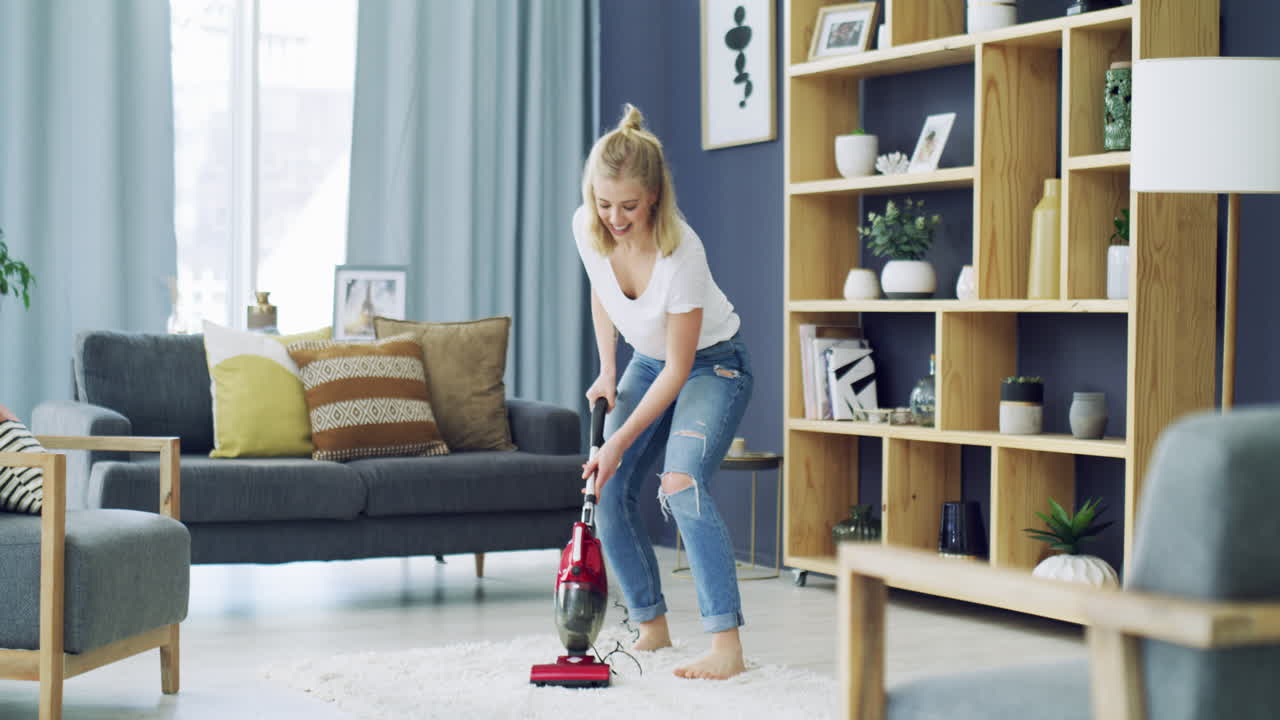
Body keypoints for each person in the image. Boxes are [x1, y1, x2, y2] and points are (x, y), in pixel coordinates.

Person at [574, 103, 753, 680]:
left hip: (712, 366)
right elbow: (603, 287)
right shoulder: (589, 224)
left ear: (653, 195)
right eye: (604, 204)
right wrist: (606, 367)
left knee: (680, 483)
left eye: (628, 206)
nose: (614, 218)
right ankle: (652, 626)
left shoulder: (683, 254)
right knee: (608, 488)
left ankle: (726, 645)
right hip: (650, 362)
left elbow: (680, 368)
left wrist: (619, 439)